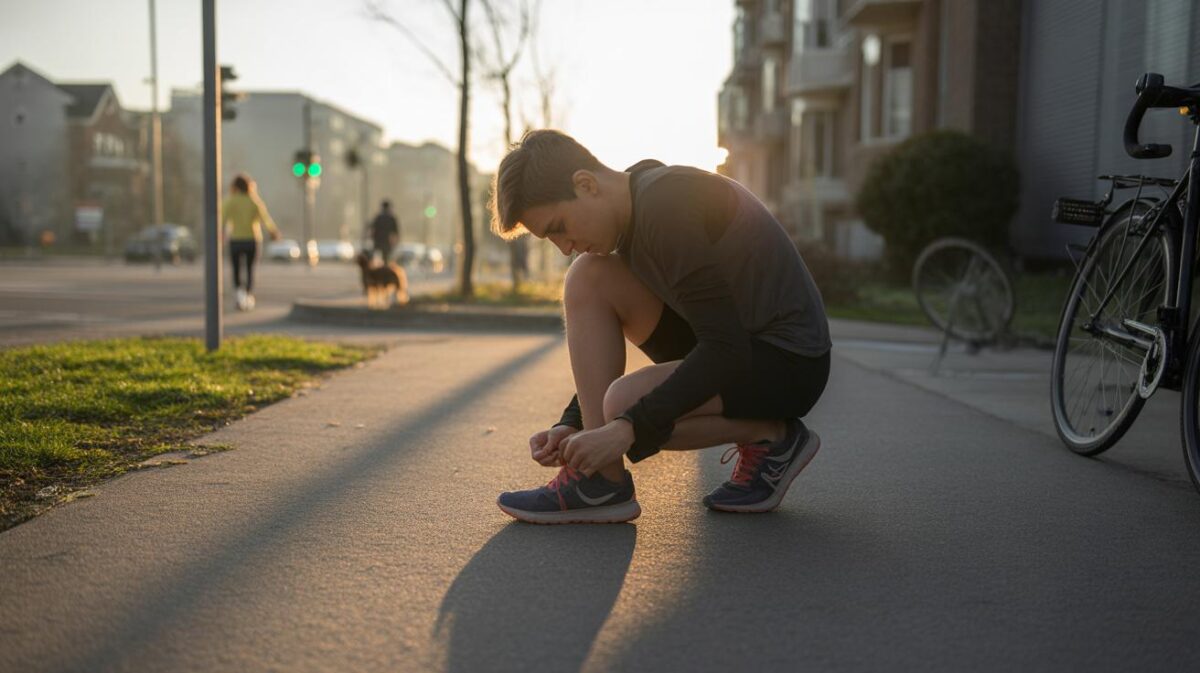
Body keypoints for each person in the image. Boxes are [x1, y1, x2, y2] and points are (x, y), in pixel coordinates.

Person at [489, 130, 832, 524]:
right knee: (588, 276)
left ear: (586, 184)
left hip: (791, 362)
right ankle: (599, 482)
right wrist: (574, 425)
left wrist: (625, 428)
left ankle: (772, 436)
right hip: (735, 344)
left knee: (622, 405)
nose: (563, 246)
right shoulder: (636, 200)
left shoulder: (667, 207)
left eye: (559, 227)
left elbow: (725, 348)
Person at [221, 174, 281, 311]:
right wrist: (273, 231)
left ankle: (239, 295)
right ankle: (248, 295)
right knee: (249, 269)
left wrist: (221, 234)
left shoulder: (230, 201)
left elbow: (222, 219)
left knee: (236, 269)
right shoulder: (254, 201)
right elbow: (265, 219)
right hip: (252, 240)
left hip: (235, 240)